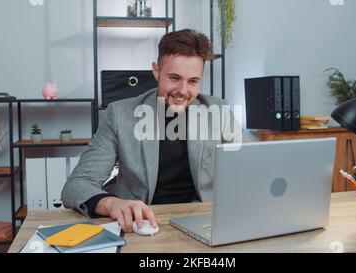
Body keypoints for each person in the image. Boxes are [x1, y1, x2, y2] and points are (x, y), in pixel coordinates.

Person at [61, 29, 243, 233]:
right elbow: (76, 185)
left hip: (203, 221)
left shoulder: (219, 111)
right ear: (156, 71)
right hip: (141, 225)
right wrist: (112, 204)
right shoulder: (120, 114)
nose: (183, 90)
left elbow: (244, 175)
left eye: (193, 81)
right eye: (174, 78)